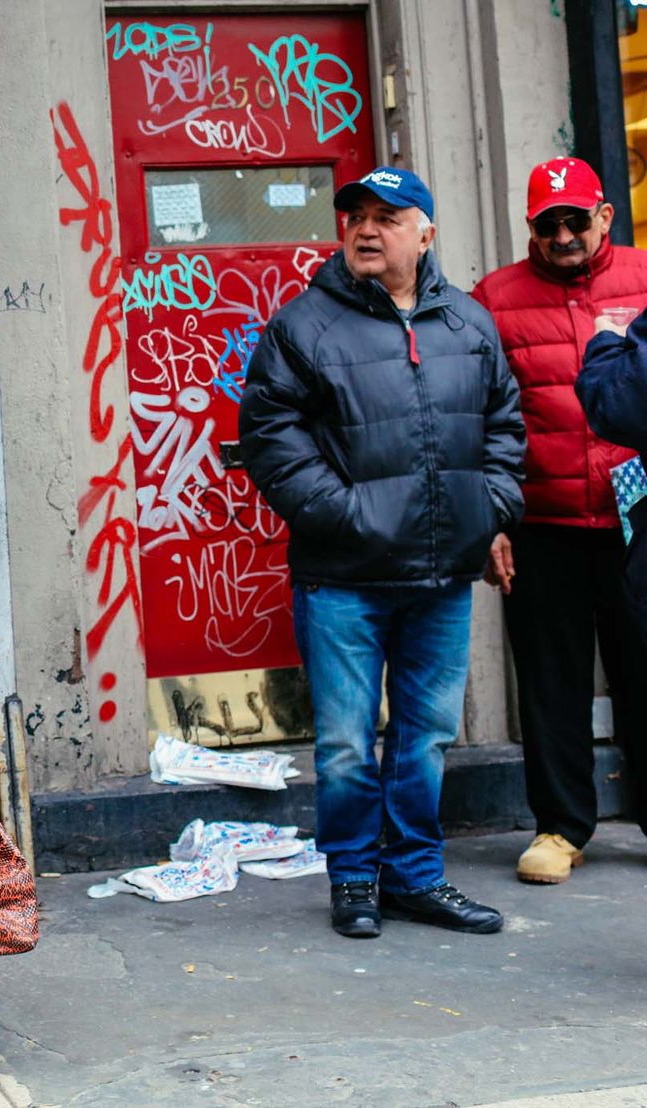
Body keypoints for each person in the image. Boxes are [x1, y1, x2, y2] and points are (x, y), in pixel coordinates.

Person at [240, 166, 525, 940]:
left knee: (425, 735)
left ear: (425, 233)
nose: (367, 230)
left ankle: (415, 877)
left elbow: (505, 424)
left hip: (443, 574)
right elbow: (268, 436)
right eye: (356, 216)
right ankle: (356, 878)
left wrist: (490, 507)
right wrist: (346, 515)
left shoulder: (468, 322)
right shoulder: (305, 325)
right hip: (343, 575)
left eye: (388, 217)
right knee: (343, 742)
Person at [470, 157, 647, 885]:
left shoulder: (644, 276)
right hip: (542, 518)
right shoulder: (495, 298)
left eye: (578, 219)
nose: (566, 235)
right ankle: (561, 827)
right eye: (551, 224)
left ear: (605, 216)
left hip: (640, 520)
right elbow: (474, 414)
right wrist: (491, 520)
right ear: (532, 229)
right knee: (551, 681)